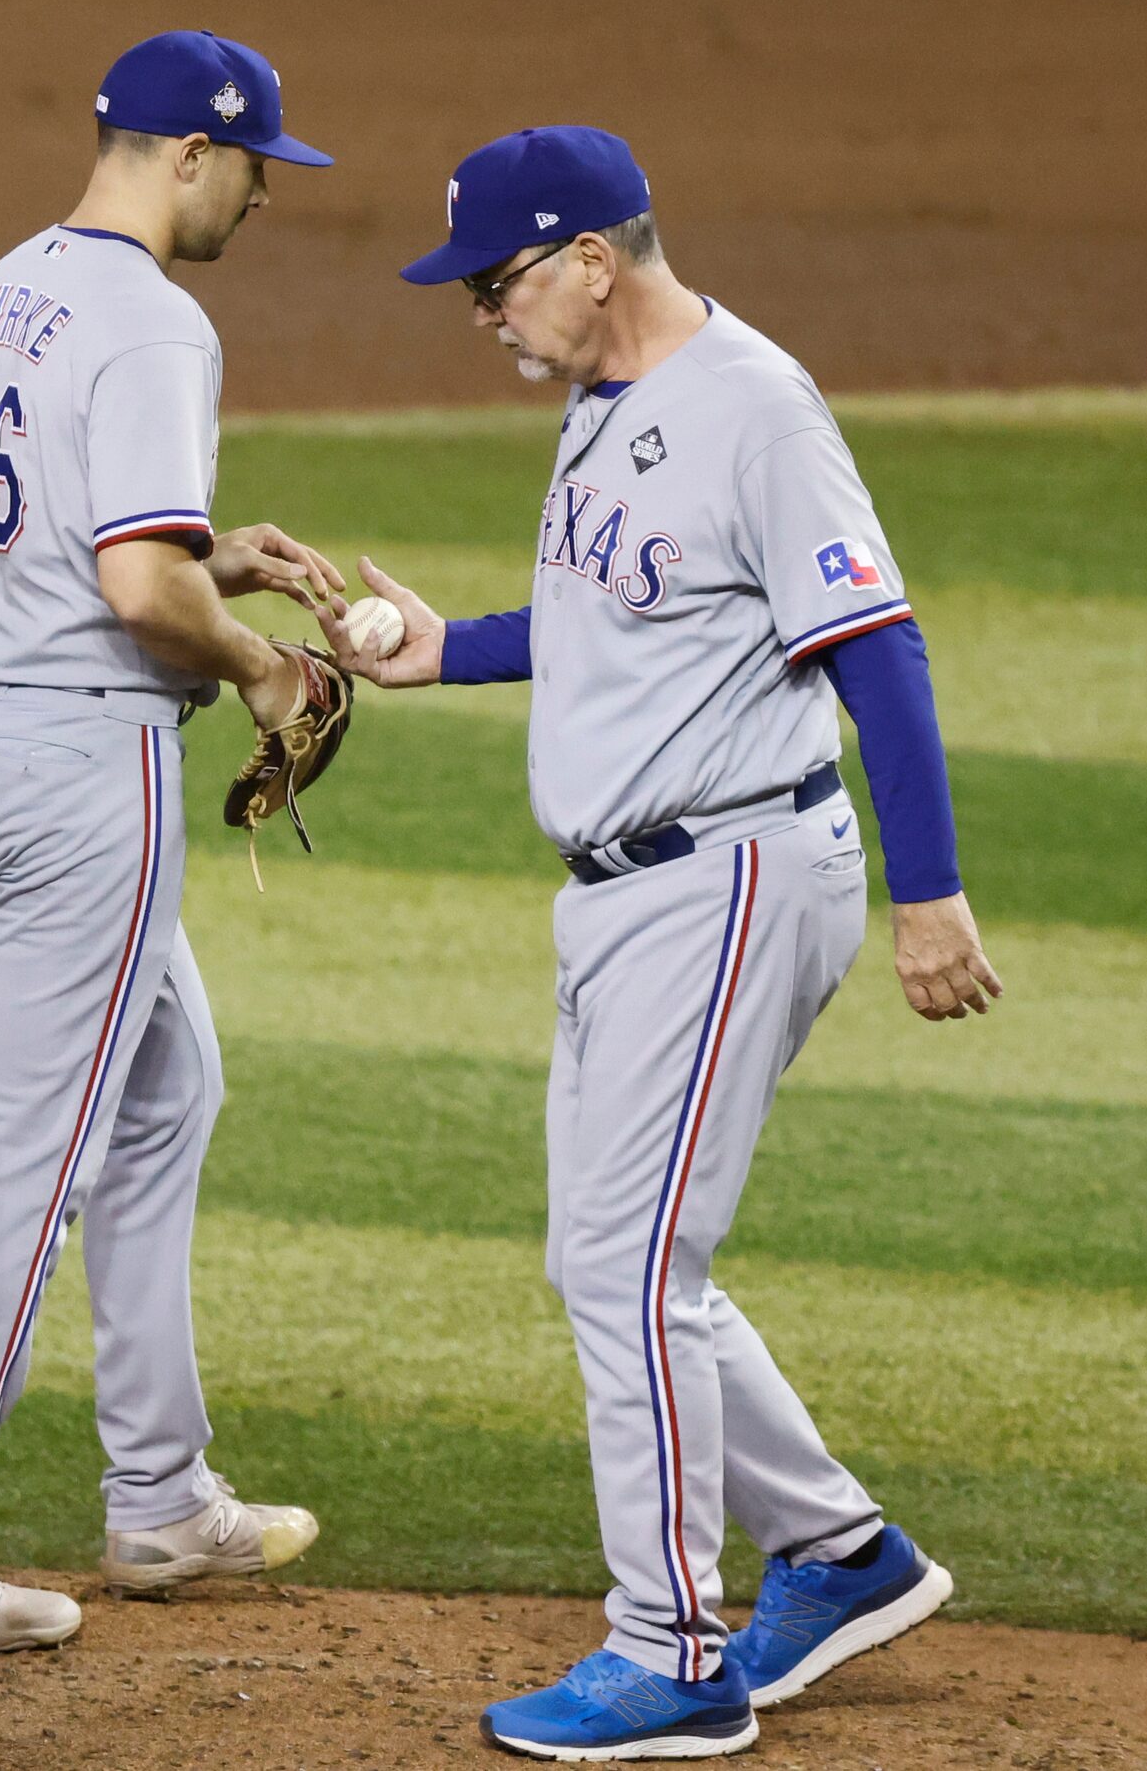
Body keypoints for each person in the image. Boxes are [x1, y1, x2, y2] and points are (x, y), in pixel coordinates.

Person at [329, 125, 981, 1761]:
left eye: (495, 282)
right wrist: (439, 649)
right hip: (633, 892)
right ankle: (838, 1555)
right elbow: (622, 616)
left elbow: (872, 642)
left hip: (731, 875)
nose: (481, 312)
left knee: (630, 1272)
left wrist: (932, 894)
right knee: (608, 1264)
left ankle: (674, 1655)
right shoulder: (603, 399)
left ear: (590, 262)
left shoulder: (755, 408)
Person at [0, 30, 335, 1656]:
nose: (265, 196)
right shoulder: (154, 320)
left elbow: (70, 534)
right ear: (191, 154)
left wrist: (221, 552)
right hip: (85, 765)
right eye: (258, 166)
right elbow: (139, 597)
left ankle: (158, 1494)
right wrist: (263, 661)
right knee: (37, 1160)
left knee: (168, 1084)